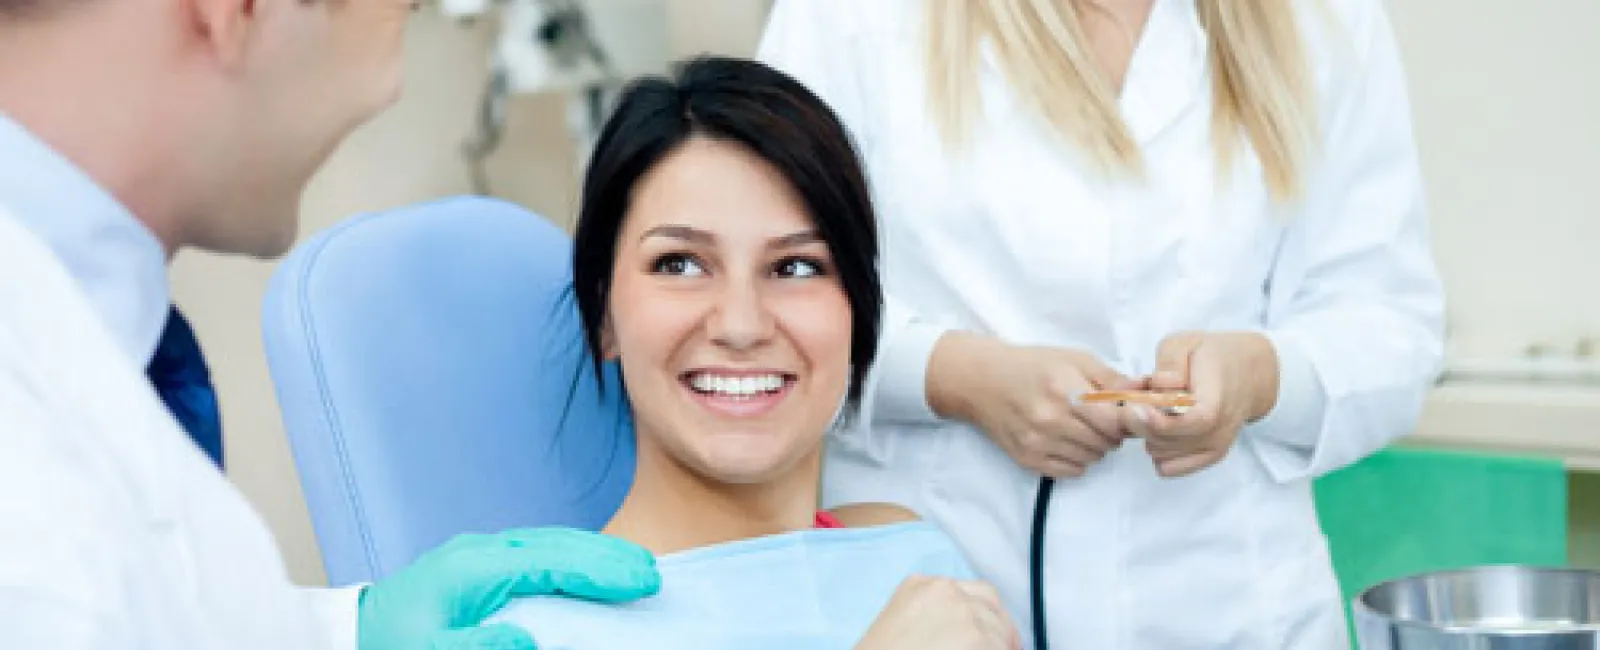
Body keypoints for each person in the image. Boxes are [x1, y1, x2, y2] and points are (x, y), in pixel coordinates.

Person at [757, 1, 1445, 649]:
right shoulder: (847, 16)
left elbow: (1388, 324)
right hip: (935, 609)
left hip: (1237, 611)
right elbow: (769, 297)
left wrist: (1258, 377)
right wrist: (958, 378)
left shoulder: (1321, 18)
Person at [0, 1, 661, 649]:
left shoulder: (74, 327)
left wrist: (345, 632)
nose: (385, 92)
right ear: (237, 11)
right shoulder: (33, 500)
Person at [485, 55, 1021, 650]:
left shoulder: (917, 568)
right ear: (605, 313)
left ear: (858, 313)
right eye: (680, 264)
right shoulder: (533, 635)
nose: (741, 325)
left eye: (795, 267)